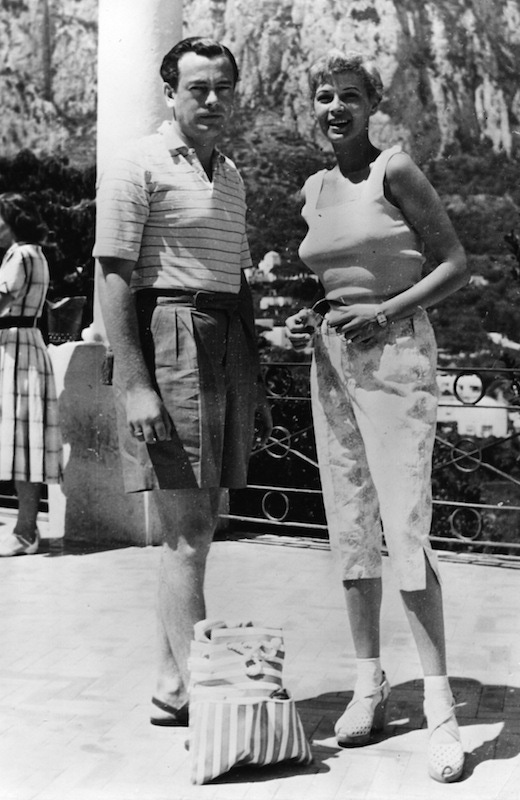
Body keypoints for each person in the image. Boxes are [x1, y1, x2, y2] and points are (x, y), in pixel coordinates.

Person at [285, 50, 470, 783]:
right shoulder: (313, 186)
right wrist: (317, 316)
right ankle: (369, 684)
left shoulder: (394, 169)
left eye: (349, 96)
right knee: (350, 523)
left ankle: (441, 711)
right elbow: (332, 277)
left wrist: (385, 313)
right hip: (331, 362)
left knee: (405, 525)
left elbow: (454, 262)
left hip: (396, 359)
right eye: (324, 96)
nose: (336, 107)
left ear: (373, 103)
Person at [93, 37, 271, 727]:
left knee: (198, 525)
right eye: (198, 87)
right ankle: (204, 698)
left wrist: (252, 351)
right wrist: (136, 384)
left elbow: (238, 275)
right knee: (188, 530)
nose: (212, 99)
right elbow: (112, 274)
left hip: (225, 341)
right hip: (169, 337)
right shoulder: (136, 162)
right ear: (171, 91)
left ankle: (171, 683)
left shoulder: (230, 174)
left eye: (223, 87)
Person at [0, 193, 62, 557]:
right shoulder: (35, 254)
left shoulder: (20, 255)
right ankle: (25, 527)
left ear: (12, 221)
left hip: (16, 349)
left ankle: (26, 530)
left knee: (22, 439)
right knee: (24, 441)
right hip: (23, 345)